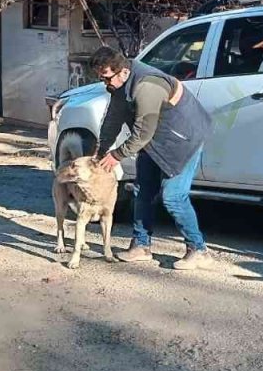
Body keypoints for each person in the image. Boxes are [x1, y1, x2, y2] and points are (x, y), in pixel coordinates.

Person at [90, 46, 215, 270]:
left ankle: (199, 250)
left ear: (122, 71)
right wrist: (101, 150)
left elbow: (143, 132)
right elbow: (113, 118)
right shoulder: (119, 85)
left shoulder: (147, 86)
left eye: (106, 77)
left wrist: (116, 155)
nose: (104, 83)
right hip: (156, 139)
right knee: (143, 190)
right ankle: (141, 245)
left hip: (183, 139)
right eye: (100, 78)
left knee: (173, 197)